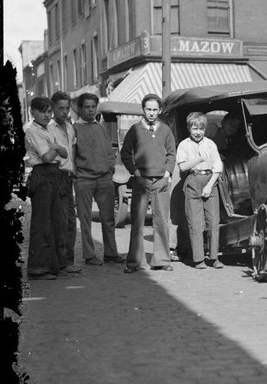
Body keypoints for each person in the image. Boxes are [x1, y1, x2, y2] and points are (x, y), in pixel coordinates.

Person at [121, 94, 176, 273]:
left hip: (160, 181)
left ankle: (161, 260)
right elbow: (126, 154)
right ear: (143, 110)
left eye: (154, 110)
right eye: (148, 109)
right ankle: (135, 262)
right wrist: (136, 172)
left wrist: (167, 173)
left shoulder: (166, 130)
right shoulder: (134, 130)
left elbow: (171, 153)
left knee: (161, 221)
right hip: (141, 181)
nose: (151, 113)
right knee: (137, 221)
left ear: (159, 110)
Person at [72, 93, 123, 266]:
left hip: (104, 179)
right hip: (83, 179)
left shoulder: (100, 127)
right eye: (87, 107)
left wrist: (110, 169)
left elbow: (109, 150)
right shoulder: (74, 129)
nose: (91, 110)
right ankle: (89, 255)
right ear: (80, 108)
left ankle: (111, 253)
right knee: (85, 220)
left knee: (108, 218)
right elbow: (71, 155)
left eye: (93, 106)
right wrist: (76, 174)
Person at [24, 97, 68, 280]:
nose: (47, 115)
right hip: (42, 175)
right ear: (32, 111)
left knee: (54, 221)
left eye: (49, 111)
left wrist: (55, 147)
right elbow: (47, 157)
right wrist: (55, 149)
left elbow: (64, 153)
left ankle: (53, 265)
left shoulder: (49, 129)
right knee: (42, 223)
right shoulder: (32, 131)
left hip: (53, 174)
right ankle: (37, 268)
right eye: (42, 111)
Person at [176, 112, 223, 269]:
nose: (197, 132)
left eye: (201, 129)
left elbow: (217, 167)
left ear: (205, 129)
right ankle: (199, 259)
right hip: (193, 181)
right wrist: (198, 159)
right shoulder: (184, 145)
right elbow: (182, 166)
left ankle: (214, 257)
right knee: (195, 223)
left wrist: (209, 186)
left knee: (213, 222)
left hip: (210, 181)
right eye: (194, 128)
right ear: (189, 128)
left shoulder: (211, 144)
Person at [49, 91, 81, 273]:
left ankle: (68, 260)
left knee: (69, 221)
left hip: (68, 177)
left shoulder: (70, 127)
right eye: (60, 108)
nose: (64, 111)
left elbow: (72, 149)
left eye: (67, 108)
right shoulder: (49, 128)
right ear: (53, 108)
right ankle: (60, 261)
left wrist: (74, 168)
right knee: (59, 221)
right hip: (56, 175)